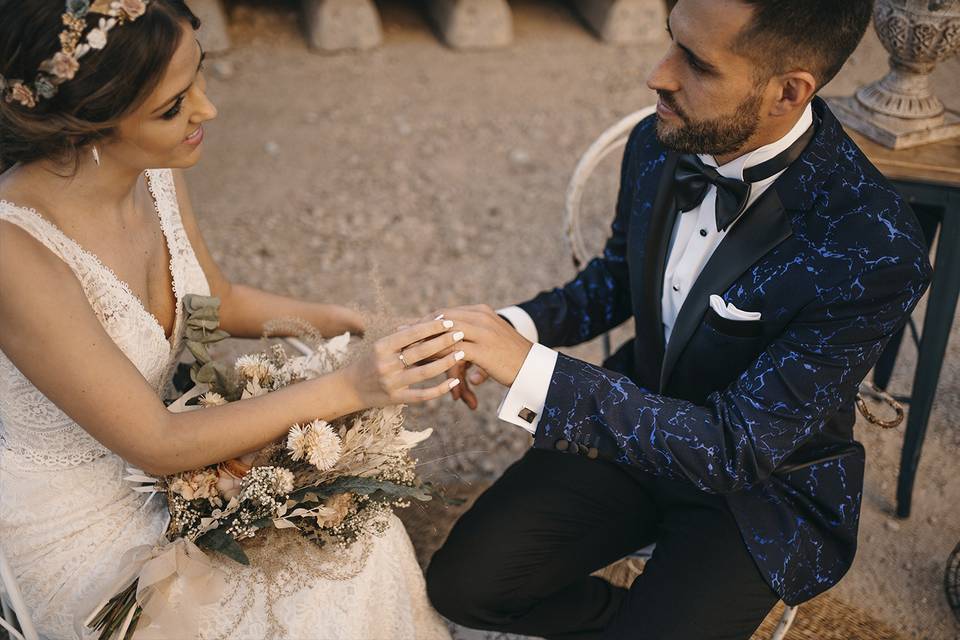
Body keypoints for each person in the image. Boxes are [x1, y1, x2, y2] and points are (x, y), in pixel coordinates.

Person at [425, 0, 933, 638]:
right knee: (461, 587)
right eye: (671, 41)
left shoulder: (876, 247)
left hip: (759, 489)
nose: (657, 76)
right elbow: (617, 277)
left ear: (788, 90)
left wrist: (533, 373)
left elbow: (736, 446)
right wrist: (503, 328)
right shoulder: (659, 137)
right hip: (626, 426)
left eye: (695, 62)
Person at [0, 1, 457, 638]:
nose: (207, 109)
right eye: (172, 106)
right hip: (83, 521)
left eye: (200, 76)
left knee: (360, 542)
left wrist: (360, 323)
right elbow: (153, 443)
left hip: (177, 457)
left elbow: (212, 301)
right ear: (84, 125)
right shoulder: (16, 253)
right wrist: (349, 385)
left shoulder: (151, 171)